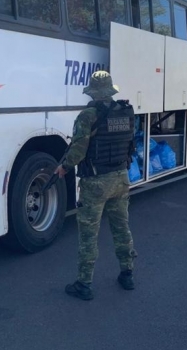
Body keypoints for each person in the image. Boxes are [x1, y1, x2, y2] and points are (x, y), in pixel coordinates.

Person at [55, 71, 137, 300]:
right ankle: (127, 274)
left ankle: (84, 284)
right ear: (110, 90)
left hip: (96, 182)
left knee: (89, 235)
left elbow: (79, 150)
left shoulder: (87, 115)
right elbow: (131, 143)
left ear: (93, 91)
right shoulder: (126, 111)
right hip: (121, 178)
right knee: (122, 228)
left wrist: (63, 167)